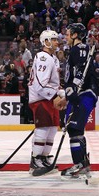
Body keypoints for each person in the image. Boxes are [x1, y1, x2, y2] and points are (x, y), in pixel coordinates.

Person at [56, 23, 98, 179]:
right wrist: (68, 94)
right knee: (76, 129)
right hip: (79, 93)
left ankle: (79, 164)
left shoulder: (79, 48)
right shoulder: (76, 50)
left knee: (74, 128)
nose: (66, 37)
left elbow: (81, 71)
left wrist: (73, 89)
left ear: (75, 35)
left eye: (68, 34)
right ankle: (83, 163)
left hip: (84, 93)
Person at [28, 30, 65, 175]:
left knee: (51, 130)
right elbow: (40, 84)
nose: (57, 42)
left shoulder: (52, 58)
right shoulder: (43, 57)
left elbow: (53, 82)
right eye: (54, 39)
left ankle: (43, 158)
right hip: (41, 98)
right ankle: (35, 159)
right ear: (46, 41)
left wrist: (61, 94)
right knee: (42, 129)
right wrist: (56, 95)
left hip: (48, 97)